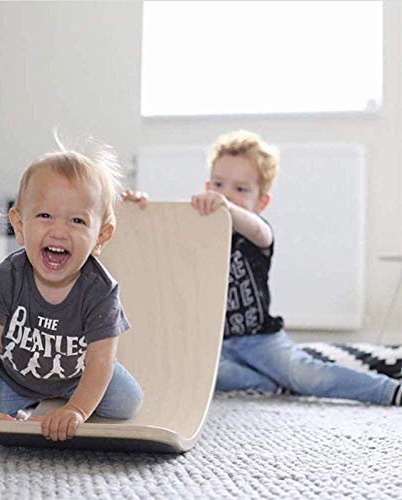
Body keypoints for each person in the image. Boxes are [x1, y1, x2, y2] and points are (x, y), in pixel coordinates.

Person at [128, 130, 402, 407]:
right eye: (219, 185)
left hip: (260, 339)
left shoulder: (256, 233)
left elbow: (260, 231)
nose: (226, 195)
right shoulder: (197, 231)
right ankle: (270, 385)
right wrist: (139, 209)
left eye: (241, 189)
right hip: (215, 342)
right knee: (196, 373)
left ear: (261, 203)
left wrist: (228, 209)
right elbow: (159, 236)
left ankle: (387, 390)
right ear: (207, 186)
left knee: (304, 374)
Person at [0, 143, 144, 442]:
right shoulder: (6, 278)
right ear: (20, 226)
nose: (59, 231)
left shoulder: (101, 291)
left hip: (77, 377)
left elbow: (100, 361)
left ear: (100, 238)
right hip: (15, 378)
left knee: (129, 401)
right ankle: (27, 402)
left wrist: (77, 410)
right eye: (45, 215)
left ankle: (62, 402)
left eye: (77, 221)